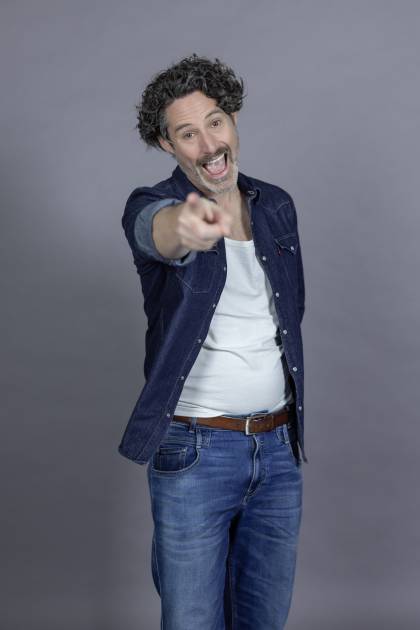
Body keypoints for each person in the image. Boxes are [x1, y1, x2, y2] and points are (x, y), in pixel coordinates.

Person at [119, 53, 307, 630]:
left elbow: (289, 317)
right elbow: (157, 231)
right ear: (167, 144)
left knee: (263, 620)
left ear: (233, 119)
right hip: (194, 453)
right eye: (187, 134)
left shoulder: (276, 206)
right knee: (193, 621)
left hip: (278, 451)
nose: (209, 145)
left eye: (216, 122)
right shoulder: (152, 205)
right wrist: (185, 227)